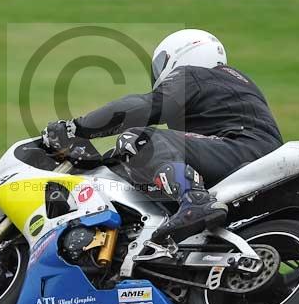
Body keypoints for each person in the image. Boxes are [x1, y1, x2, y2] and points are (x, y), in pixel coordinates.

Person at [42, 29, 282, 243]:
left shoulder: (195, 74)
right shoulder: (237, 85)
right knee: (127, 158)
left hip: (239, 149)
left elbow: (144, 107)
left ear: (179, 55)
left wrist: (77, 128)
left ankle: (194, 200)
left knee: (139, 139)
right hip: (254, 157)